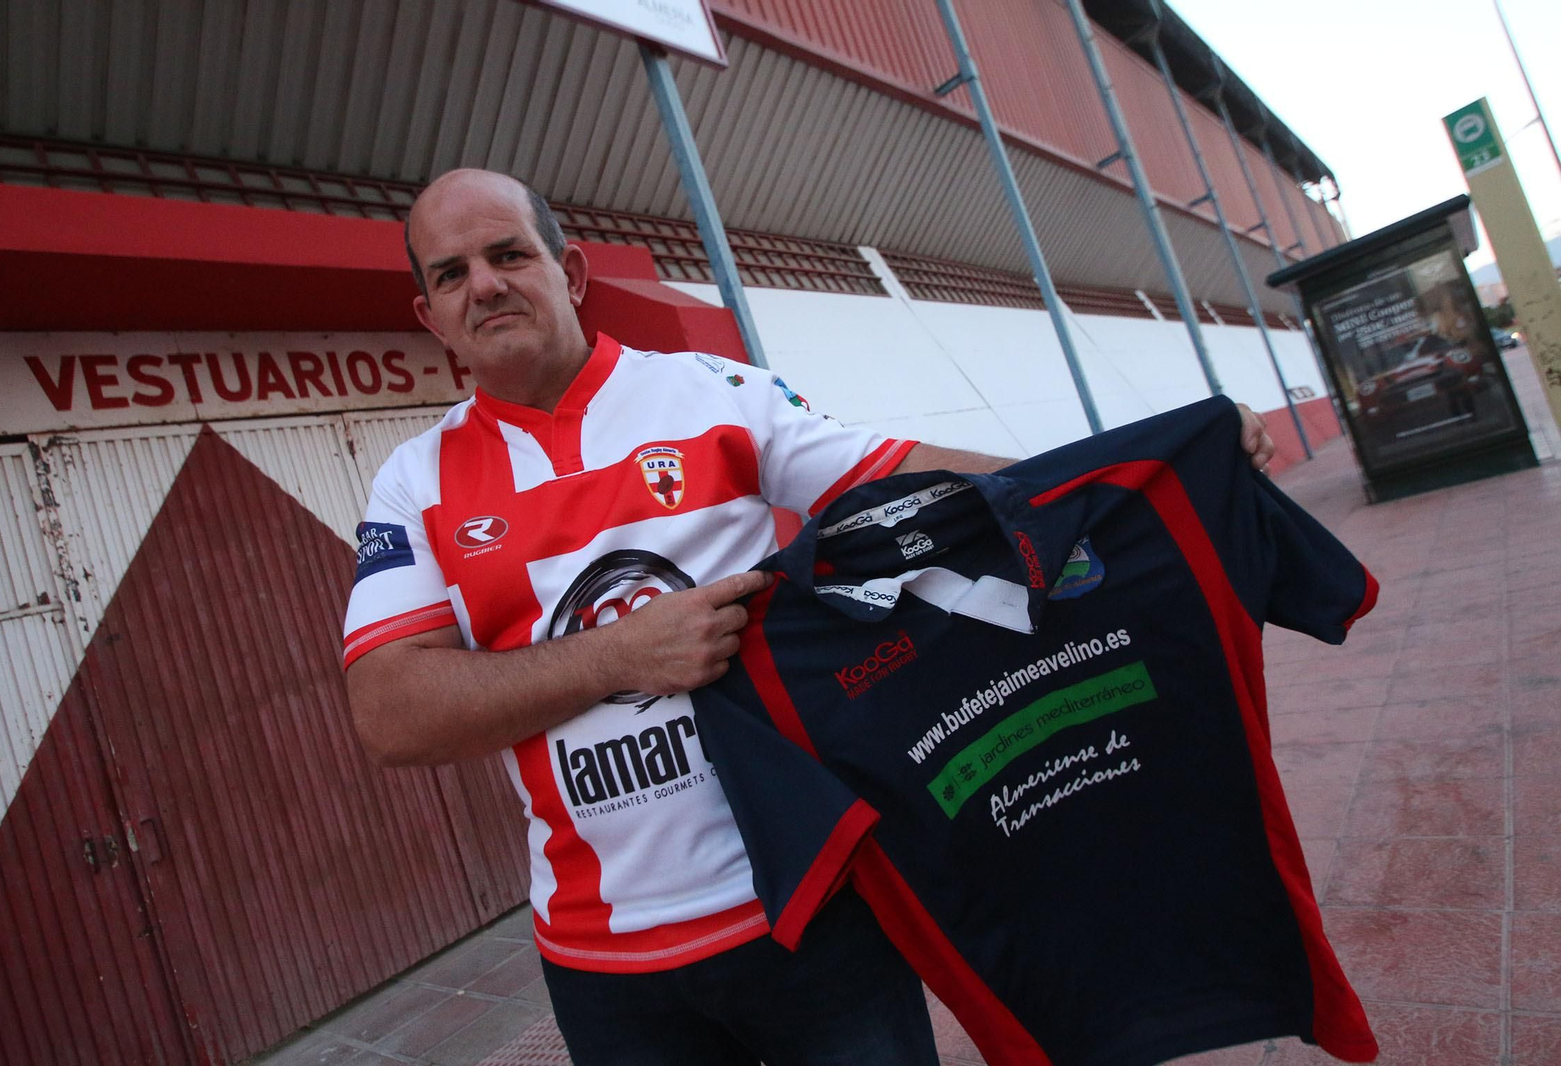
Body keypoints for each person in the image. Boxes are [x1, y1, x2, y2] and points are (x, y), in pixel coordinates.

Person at [343, 168, 1275, 1065]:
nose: (486, 286)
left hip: (814, 907)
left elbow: (938, 483)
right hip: (605, 968)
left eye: (508, 255)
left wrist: (1158, 459)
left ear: (571, 272)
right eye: (452, 274)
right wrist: (617, 654)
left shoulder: (716, 394)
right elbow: (390, 712)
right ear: (431, 318)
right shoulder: (411, 482)